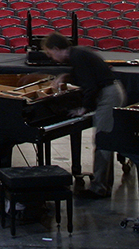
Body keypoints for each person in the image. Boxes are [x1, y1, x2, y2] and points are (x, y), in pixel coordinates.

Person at [44, 33, 123, 198]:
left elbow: (90, 86)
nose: (52, 58)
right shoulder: (77, 53)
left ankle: (99, 189)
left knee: (103, 141)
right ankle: (103, 185)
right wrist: (66, 76)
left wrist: (84, 108)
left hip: (108, 96)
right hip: (110, 92)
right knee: (104, 141)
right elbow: (86, 76)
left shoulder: (78, 57)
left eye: (51, 53)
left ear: (57, 49)